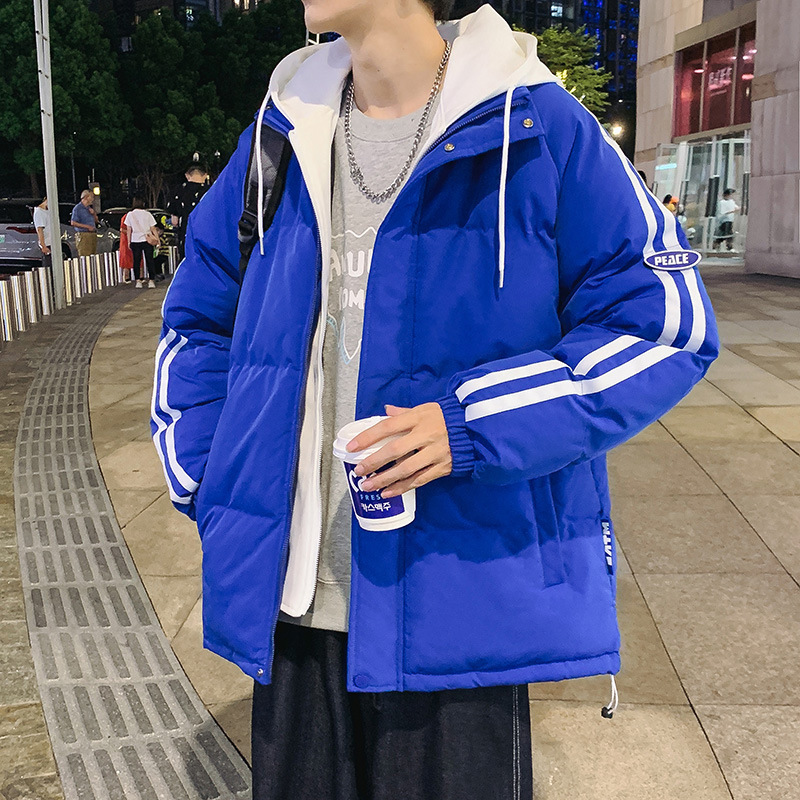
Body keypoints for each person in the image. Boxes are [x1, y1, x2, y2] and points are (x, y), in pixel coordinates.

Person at [151, 2, 719, 798]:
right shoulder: (282, 130)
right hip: (290, 603)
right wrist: (212, 481)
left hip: (462, 603)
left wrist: (475, 424)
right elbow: (199, 319)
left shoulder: (539, 123)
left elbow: (665, 326)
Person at [167, 165, 209, 261]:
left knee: (187, 258)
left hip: (186, 233)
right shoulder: (210, 191)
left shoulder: (178, 191)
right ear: (205, 175)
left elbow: (174, 221)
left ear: (187, 175)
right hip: (206, 235)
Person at [125, 197, 159, 288]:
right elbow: (153, 228)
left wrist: (129, 241)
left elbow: (129, 229)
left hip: (135, 240)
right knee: (150, 260)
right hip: (147, 239)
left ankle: (138, 281)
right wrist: (157, 240)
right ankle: (151, 280)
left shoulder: (130, 215)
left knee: (136, 261)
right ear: (143, 204)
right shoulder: (147, 214)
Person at [70, 189, 99, 256]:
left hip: (92, 234)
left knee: (93, 255)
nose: (93, 199)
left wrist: (94, 214)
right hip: (83, 235)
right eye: (91, 197)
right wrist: (87, 227)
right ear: (86, 197)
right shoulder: (78, 208)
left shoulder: (89, 209)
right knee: (85, 256)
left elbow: (96, 221)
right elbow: (73, 222)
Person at [32, 197, 52, 267]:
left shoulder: (47, 211)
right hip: (47, 243)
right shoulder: (39, 212)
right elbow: (39, 230)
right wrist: (43, 245)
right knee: (48, 265)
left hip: (52, 242)